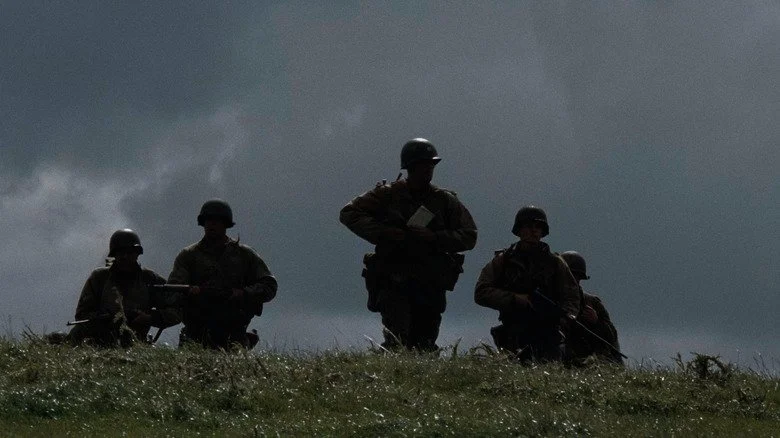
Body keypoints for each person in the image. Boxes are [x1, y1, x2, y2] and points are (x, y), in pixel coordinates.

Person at [340, 138, 477, 351]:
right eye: (423, 165)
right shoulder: (387, 194)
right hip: (394, 278)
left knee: (425, 343)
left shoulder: (444, 200)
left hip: (430, 280)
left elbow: (469, 235)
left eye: (431, 165)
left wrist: (434, 237)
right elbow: (349, 213)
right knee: (397, 342)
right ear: (410, 167)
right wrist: (384, 233)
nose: (428, 170)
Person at [474, 206, 580, 362]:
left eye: (538, 227)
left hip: (547, 332)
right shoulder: (503, 261)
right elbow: (481, 292)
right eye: (529, 226)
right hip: (514, 330)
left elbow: (571, 295)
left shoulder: (555, 263)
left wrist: (566, 317)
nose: (534, 231)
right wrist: (514, 298)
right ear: (519, 229)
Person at [168, 199, 277, 349]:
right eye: (208, 220)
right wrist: (189, 292)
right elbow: (173, 291)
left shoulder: (244, 255)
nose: (212, 224)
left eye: (217, 220)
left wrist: (242, 293)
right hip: (197, 331)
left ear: (225, 223)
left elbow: (269, 286)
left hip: (234, 331)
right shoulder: (189, 256)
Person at [67, 229, 181, 347]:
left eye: (130, 253)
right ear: (115, 255)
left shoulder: (149, 279)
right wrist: (107, 319)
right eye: (121, 253)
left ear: (137, 253)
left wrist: (150, 318)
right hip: (100, 341)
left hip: (136, 342)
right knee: (76, 333)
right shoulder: (100, 278)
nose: (125, 257)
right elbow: (82, 314)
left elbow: (176, 311)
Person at [560, 251, 624, 365]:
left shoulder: (591, 302)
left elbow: (611, 336)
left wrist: (596, 322)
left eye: (576, 278)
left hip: (587, 356)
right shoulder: (551, 300)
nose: (572, 282)